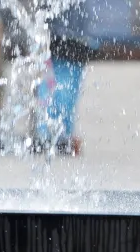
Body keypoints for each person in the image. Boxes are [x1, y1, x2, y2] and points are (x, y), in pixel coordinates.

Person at [37, 1, 98, 156]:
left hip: (61, 34)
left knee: (55, 82)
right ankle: (59, 133)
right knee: (66, 84)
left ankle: (50, 133)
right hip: (71, 35)